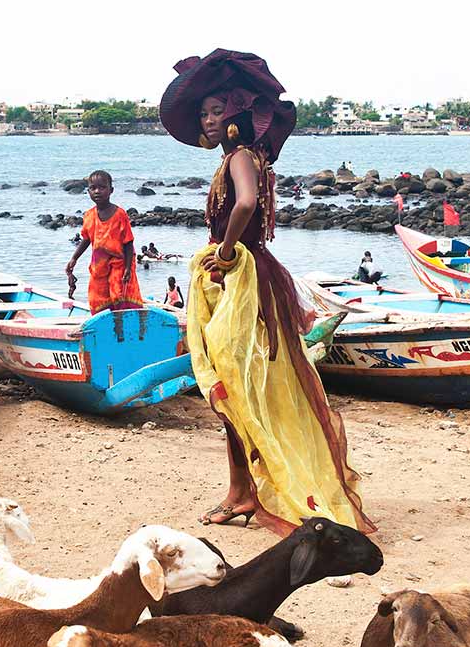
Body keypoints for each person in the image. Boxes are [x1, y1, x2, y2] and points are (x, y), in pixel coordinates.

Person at [159, 48, 373, 537]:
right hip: (244, 280)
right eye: (204, 114)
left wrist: (228, 249)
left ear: (236, 116)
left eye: (216, 112)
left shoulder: (239, 157)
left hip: (244, 283)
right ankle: (242, 490)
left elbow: (248, 204)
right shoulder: (247, 157)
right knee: (235, 391)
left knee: (234, 388)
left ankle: (242, 493)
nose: (208, 120)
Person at [66, 170, 144, 314]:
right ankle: (103, 325)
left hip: (119, 262)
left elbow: (128, 242)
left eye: (102, 187)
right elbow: (87, 239)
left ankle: (123, 326)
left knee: (119, 293)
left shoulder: (120, 215)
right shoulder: (89, 215)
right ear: (88, 191)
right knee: (97, 295)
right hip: (99, 264)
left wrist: (128, 268)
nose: (97, 191)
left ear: (111, 190)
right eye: (93, 188)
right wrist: (74, 258)